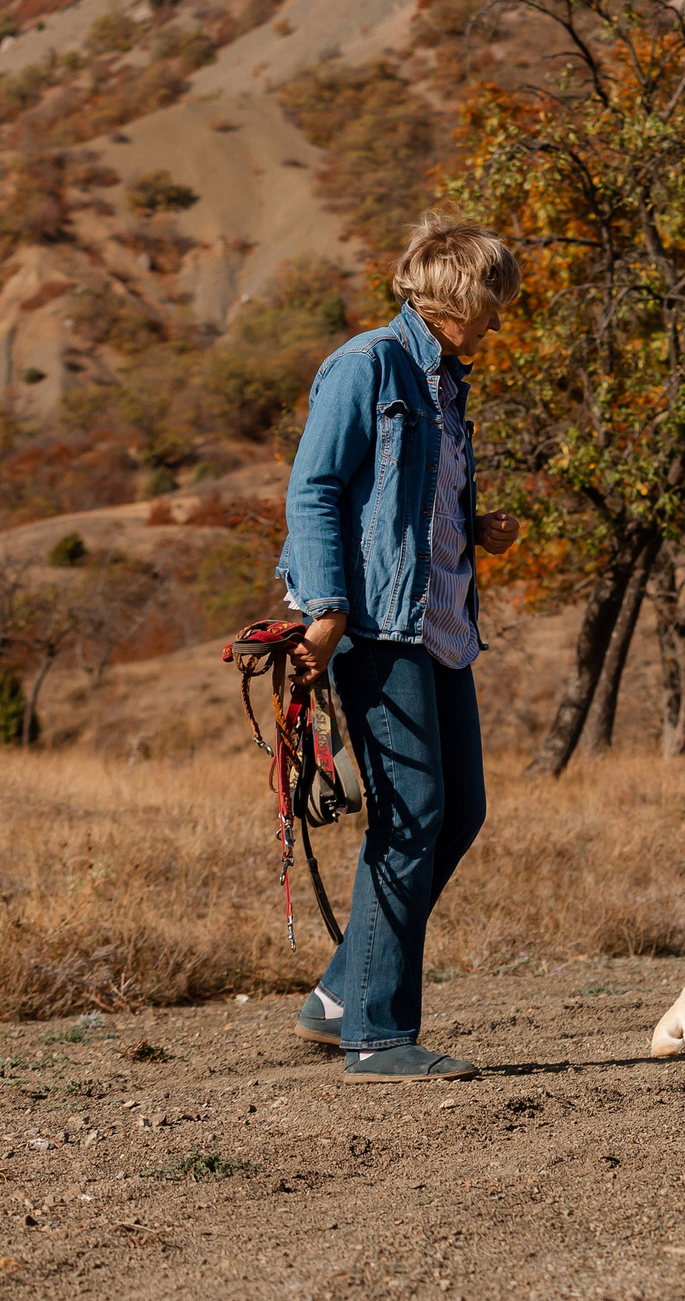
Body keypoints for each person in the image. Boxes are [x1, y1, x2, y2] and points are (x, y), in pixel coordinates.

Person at [276, 214, 524, 1084]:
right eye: (496, 298)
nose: (502, 314)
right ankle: (378, 1036)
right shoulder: (366, 364)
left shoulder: (445, 382)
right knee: (410, 817)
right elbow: (313, 492)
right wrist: (327, 611)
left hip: (441, 623)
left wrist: (475, 528)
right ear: (460, 295)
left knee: (457, 813)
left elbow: (415, 503)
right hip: (377, 627)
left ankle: (344, 994)